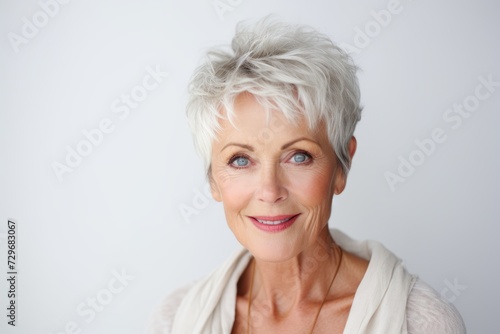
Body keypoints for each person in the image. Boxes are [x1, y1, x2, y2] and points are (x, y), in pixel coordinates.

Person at [147, 18, 466, 334]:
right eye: (240, 160)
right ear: (213, 179)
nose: (270, 191)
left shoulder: (421, 323)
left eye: (299, 156)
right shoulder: (176, 319)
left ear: (342, 166)